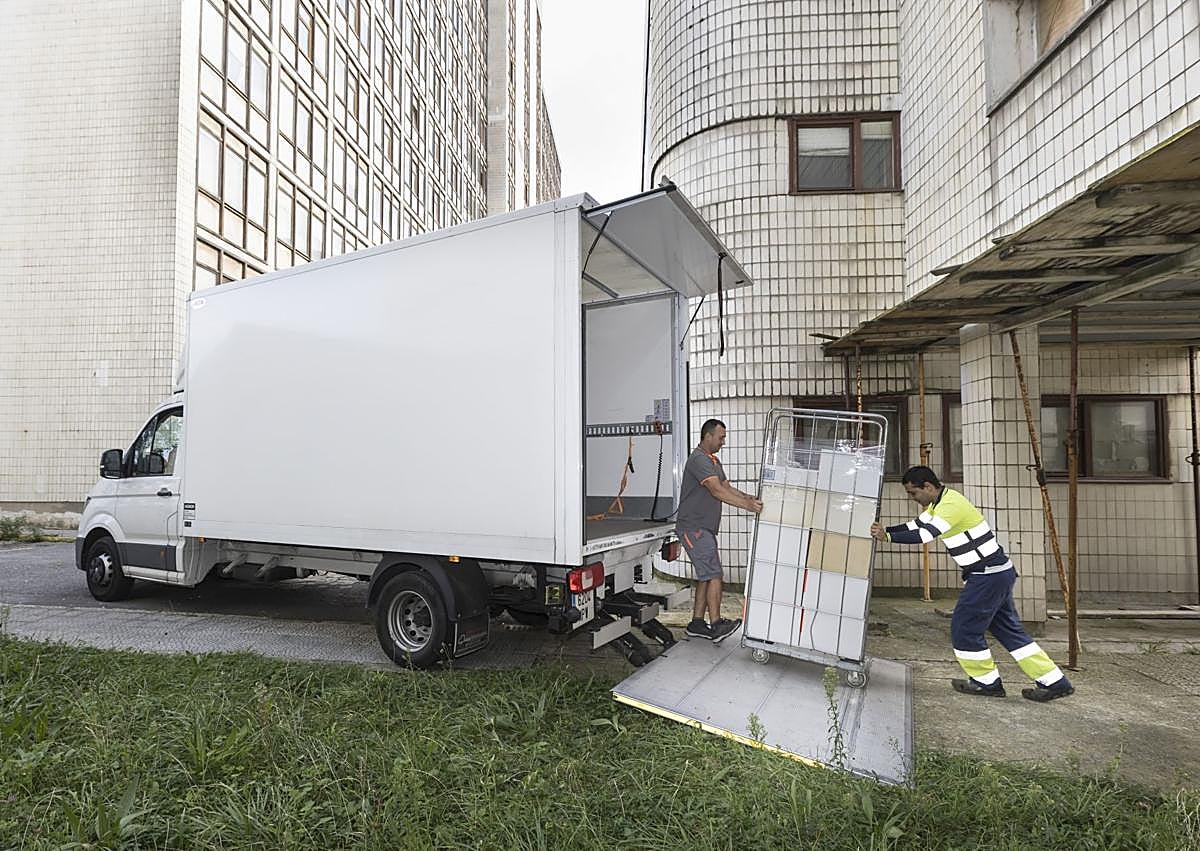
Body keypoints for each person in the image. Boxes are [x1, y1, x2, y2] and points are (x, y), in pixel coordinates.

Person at [871, 466, 1075, 702]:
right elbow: (916, 525)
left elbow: (925, 535)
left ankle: (985, 683)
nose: (913, 499)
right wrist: (886, 531)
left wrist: (886, 536)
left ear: (928, 486)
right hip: (995, 573)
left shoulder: (951, 506)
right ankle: (1054, 682)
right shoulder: (940, 503)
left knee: (964, 628)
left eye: (913, 493)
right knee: (1009, 631)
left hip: (987, 576)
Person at [676, 418, 763, 642]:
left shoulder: (712, 461)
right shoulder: (698, 460)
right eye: (721, 437)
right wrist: (748, 507)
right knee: (714, 574)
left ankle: (696, 623)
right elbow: (716, 490)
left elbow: (725, 486)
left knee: (706, 575)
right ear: (708, 436)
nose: (723, 441)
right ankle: (716, 625)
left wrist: (747, 497)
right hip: (693, 528)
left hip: (704, 529)